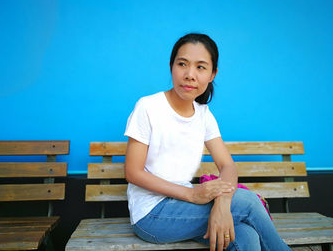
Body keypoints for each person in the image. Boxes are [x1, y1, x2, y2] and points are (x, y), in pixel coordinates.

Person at [124, 33, 291, 251]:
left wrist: (222, 203)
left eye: (201, 67)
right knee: (249, 203)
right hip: (152, 215)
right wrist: (192, 194)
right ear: (171, 66)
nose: (190, 74)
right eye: (182, 64)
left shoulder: (204, 115)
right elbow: (133, 173)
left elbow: (227, 165)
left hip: (187, 207)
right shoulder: (148, 107)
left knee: (246, 236)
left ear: (213, 74)